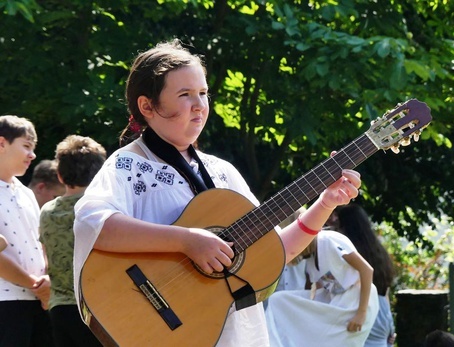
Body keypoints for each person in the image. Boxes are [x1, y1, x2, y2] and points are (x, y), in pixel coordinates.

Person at [72, 39, 361, 347]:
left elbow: (278, 251)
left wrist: (326, 202)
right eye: (185, 95)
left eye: (203, 93)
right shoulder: (129, 164)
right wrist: (188, 241)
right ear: (147, 106)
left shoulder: (222, 171)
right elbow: (92, 223)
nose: (199, 104)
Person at [39, 135, 106, 347]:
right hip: (99, 309)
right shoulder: (103, 210)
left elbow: (46, 258)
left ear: (59, 175)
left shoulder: (47, 211)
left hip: (61, 309)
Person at [265, 228, 379, 347]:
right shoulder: (309, 258)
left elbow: (366, 270)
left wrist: (361, 313)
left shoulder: (329, 240)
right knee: (278, 300)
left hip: (356, 301)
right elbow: (319, 288)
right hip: (334, 300)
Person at [0, 115, 54, 346]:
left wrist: (48, 281)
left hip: (39, 300)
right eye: (26, 146)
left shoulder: (26, 192)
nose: (32, 155)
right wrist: (36, 285)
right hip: (5, 301)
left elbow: (41, 242)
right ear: (1, 143)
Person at [336, 204, 396, 347]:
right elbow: (385, 291)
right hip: (383, 316)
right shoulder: (378, 251)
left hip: (362, 310)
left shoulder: (350, 253)